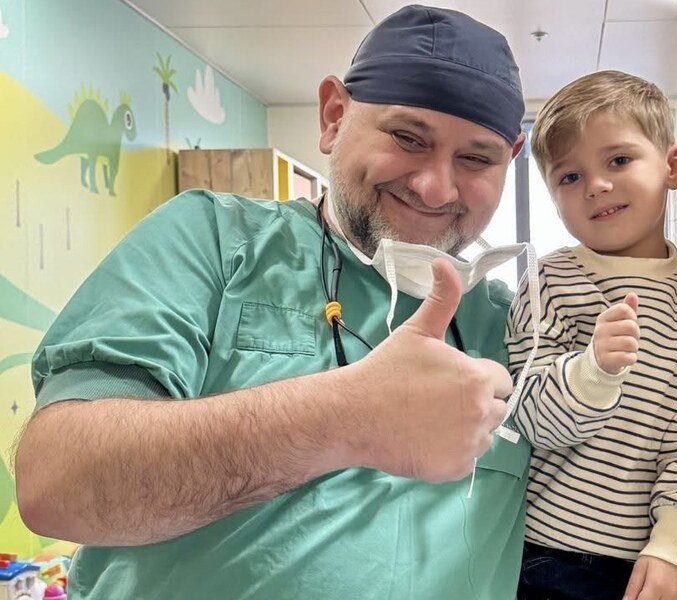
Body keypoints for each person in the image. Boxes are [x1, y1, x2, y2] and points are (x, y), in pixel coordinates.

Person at [15, 5, 533, 599]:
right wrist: (349, 416)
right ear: (334, 117)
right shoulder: (213, 243)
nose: (435, 187)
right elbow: (58, 485)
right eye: (407, 138)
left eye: (476, 158)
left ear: (512, 158)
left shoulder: (519, 326)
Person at [507, 71, 677, 600]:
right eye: (569, 177)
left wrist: (676, 544)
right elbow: (528, 417)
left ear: (672, 167)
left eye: (618, 160)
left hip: (651, 560)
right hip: (543, 551)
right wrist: (591, 373)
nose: (596, 185)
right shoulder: (549, 281)